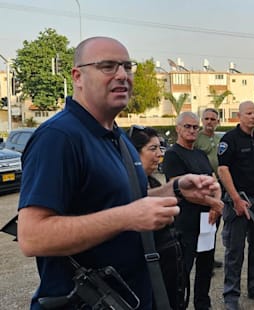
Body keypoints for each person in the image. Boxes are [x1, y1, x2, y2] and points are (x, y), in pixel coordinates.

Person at [16, 36, 221, 310]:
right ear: (77, 76)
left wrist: (175, 189)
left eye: (127, 66)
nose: (123, 75)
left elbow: (125, 199)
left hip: (130, 298)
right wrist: (126, 218)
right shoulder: (58, 137)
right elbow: (32, 237)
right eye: (108, 67)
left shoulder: (116, 136)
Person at [217, 101, 254, 310]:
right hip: (238, 202)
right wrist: (235, 199)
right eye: (249, 113)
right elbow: (223, 171)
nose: (253, 116)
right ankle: (231, 295)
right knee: (235, 250)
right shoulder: (229, 140)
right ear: (239, 116)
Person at [163, 112, 223, 310]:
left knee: (205, 266)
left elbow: (213, 181)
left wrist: (216, 201)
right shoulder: (173, 155)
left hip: (207, 220)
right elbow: (184, 190)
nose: (191, 130)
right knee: (183, 269)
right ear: (177, 128)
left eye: (195, 127)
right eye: (187, 126)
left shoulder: (200, 154)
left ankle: (202, 304)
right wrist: (213, 204)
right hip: (185, 221)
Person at [129, 125, 186, 310]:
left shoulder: (153, 182)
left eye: (160, 148)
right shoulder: (127, 188)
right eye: (152, 149)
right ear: (133, 154)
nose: (159, 154)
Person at [194, 108, 223, 269]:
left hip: (219, 185)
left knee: (215, 225)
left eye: (213, 119)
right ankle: (203, 261)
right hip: (204, 187)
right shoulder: (197, 139)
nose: (210, 122)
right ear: (202, 120)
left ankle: (210, 258)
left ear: (218, 121)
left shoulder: (220, 139)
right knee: (204, 225)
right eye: (207, 119)